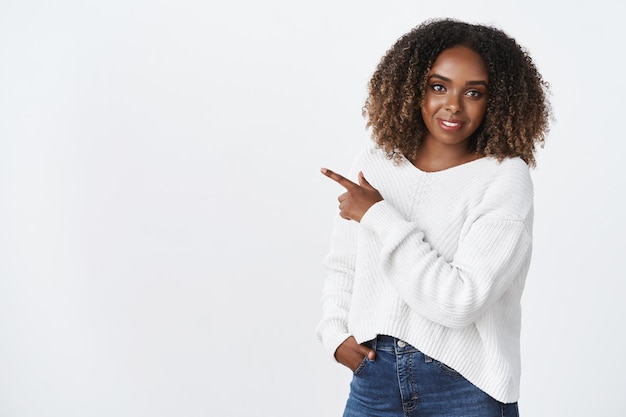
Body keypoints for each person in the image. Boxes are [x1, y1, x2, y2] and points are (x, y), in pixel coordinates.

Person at [316, 18, 552, 417]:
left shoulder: (505, 178)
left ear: (498, 102)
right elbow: (345, 267)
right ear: (412, 87)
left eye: (474, 92)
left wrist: (377, 214)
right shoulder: (375, 165)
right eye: (438, 86)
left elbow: (460, 302)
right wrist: (335, 334)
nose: (453, 105)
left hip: (465, 385)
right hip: (374, 377)